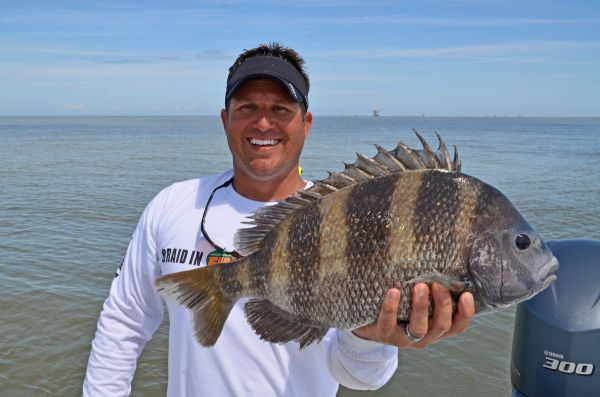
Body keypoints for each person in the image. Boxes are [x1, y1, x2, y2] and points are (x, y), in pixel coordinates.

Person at [83, 42, 475, 396]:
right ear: (225, 119)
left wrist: (371, 337)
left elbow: (358, 377)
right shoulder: (171, 205)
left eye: (280, 109)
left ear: (306, 123)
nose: (263, 123)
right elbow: (123, 323)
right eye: (247, 107)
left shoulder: (352, 217)